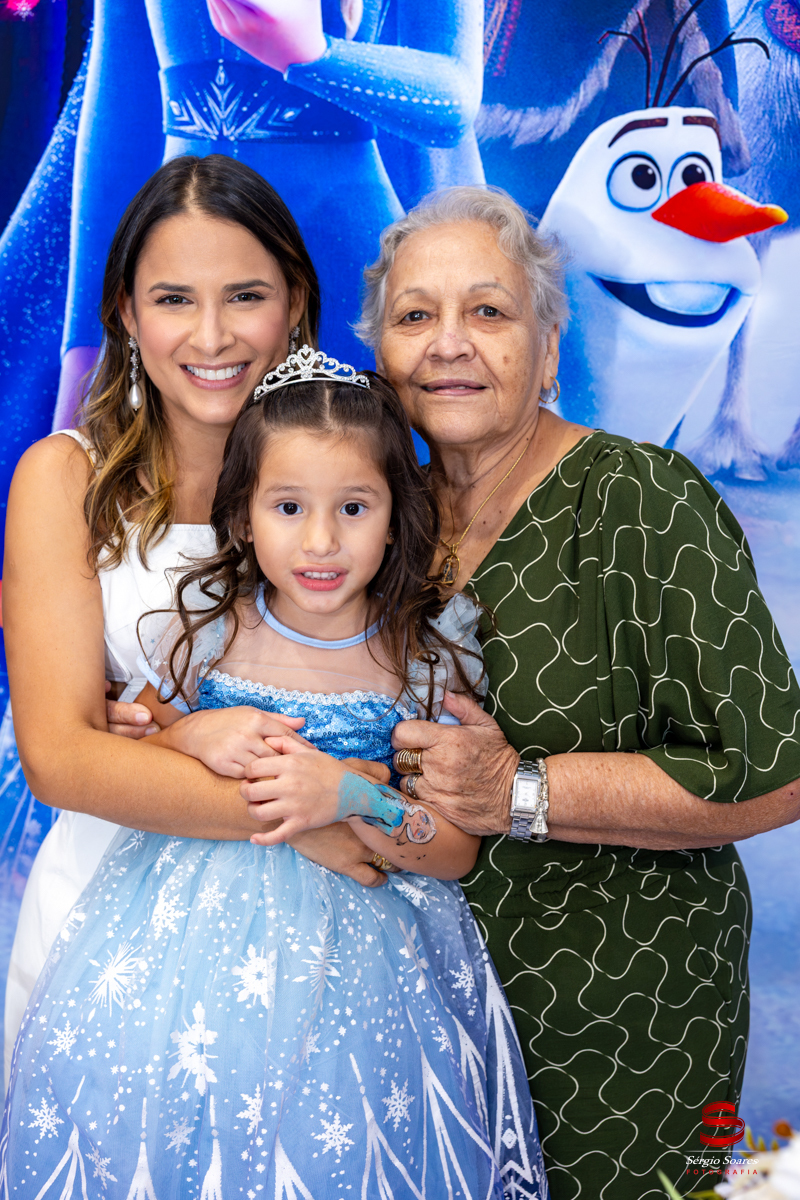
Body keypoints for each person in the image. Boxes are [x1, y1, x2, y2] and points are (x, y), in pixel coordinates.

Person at [1, 353, 549, 1200]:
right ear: (245, 518)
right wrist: (192, 732)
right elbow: (133, 744)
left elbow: (450, 851)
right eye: (289, 507)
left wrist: (352, 797)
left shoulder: (423, 661)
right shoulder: (207, 630)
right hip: (181, 945)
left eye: (354, 508)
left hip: (362, 967)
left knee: (332, 1143)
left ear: (396, 519)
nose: (321, 541)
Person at [351, 186, 800, 1199]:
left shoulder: (643, 499)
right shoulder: (376, 518)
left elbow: (775, 774)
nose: (449, 343)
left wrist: (517, 791)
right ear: (381, 353)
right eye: (415, 315)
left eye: (488, 311)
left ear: (548, 347)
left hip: (623, 1029)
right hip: (413, 1014)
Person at [2, 154, 386, 1081]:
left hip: (330, 932)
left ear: (295, 303)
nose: (211, 335)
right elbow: (60, 758)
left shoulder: (365, 481)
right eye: (174, 299)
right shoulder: (66, 480)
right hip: (109, 925)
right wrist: (307, 816)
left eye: (245, 296)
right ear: (127, 316)